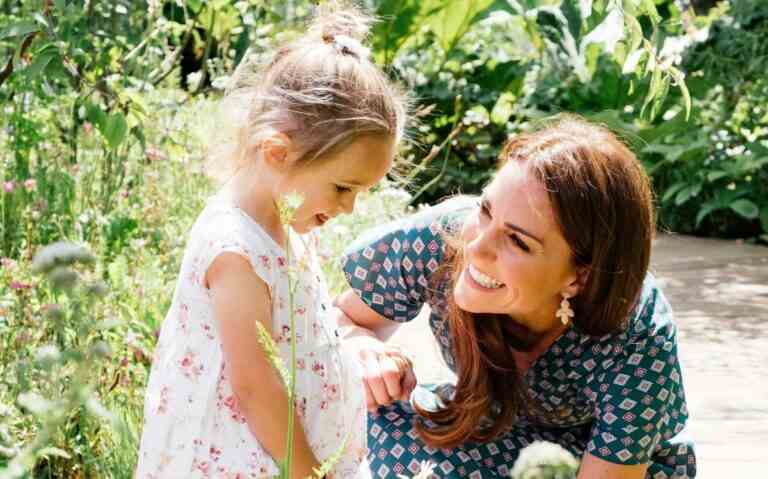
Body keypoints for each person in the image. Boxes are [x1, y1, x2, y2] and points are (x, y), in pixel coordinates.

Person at [334, 116, 696, 478]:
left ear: (579, 277)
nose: (476, 247)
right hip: (493, 432)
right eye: (486, 210)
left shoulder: (636, 336)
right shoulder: (445, 240)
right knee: (358, 411)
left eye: (518, 241)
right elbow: (342, 321)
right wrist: (364, 350)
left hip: (609, 464)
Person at [135, 3, 408, 477]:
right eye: (343, 187)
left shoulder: (283, 221)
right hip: (251, 459)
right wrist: (307, 472)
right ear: (278, 152)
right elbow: (256, 387)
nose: (348, 207)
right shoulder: (236, 251)